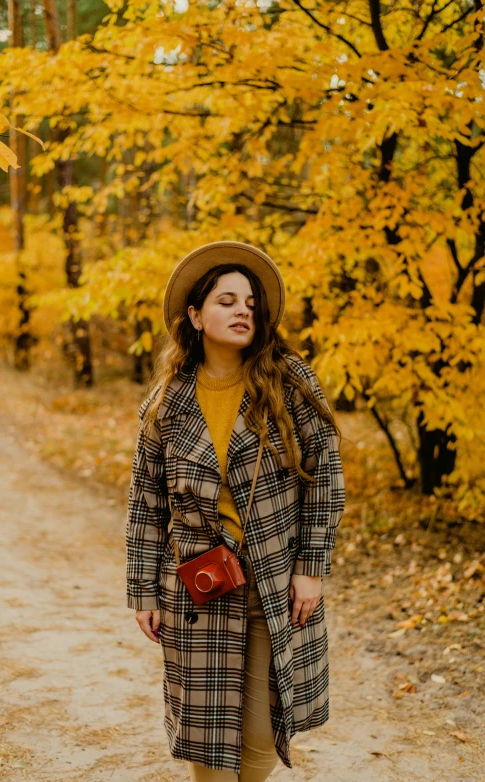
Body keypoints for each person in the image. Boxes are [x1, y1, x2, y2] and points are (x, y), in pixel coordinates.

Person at [126, 240, 346, 781]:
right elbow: (145, 505)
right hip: (197, 590)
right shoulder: (166, 401)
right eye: (226, 301)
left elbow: (326, 481)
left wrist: (310, 568)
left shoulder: (289, 384)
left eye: (250, 302)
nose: (243, 309)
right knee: (206, 739)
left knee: (260, 730)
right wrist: (142, 591)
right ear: (196, 317)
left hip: (274, 581)